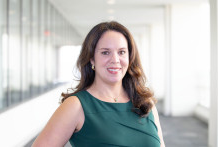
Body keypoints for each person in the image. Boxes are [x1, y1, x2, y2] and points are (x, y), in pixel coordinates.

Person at [32, 21, 165, 147]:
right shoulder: (76, 106)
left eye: (122, 52)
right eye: (105, 52)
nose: (115, 60)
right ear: (92, 59)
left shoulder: (145, 104)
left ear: (130, 58)